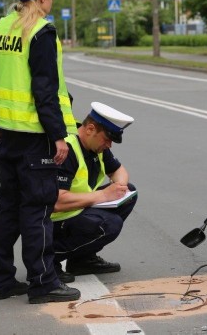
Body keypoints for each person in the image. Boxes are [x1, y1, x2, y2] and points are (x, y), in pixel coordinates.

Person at [0, 0, 81, 304]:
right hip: (33, 137)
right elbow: (45, 91)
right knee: (38, 209)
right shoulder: (41, 31)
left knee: (7, 207)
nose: (52, 1)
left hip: (9, 134)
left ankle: (0, 281)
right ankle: (43, 283)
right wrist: (58, 137)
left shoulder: (1, 27)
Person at [51, 102, 137, 283]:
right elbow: (56, 202)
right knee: (109, 224)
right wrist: (104, 196)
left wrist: (119, 187)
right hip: (54, 222)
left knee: (129, 192)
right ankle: (49, 259)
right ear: (90, 129)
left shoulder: (95, 146)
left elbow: (119, 171)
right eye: (107, 139)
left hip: (77, 211)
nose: (109, 145)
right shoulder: (67, 150)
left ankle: (82, 260)